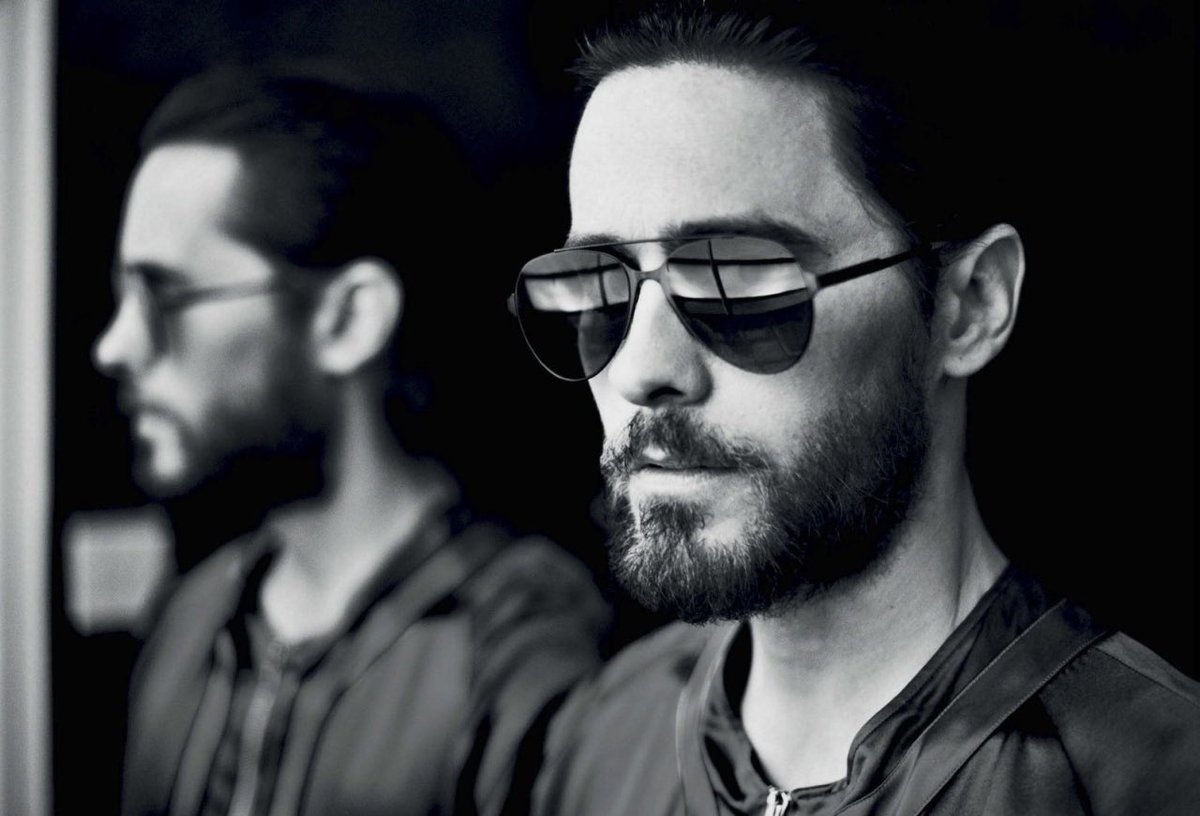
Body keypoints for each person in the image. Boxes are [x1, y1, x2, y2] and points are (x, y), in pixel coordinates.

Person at [510, 3, 1200, 814]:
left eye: (740, 282)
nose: (641, 370)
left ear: (970, 306)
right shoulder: (602, 739)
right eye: (597, 285)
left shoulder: (1152, 776)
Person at [92, 66, 607, 816]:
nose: (115, 346)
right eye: (122, 297)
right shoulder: (189, 620)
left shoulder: (523, 651)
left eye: (165, 295)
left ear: (349, 319)